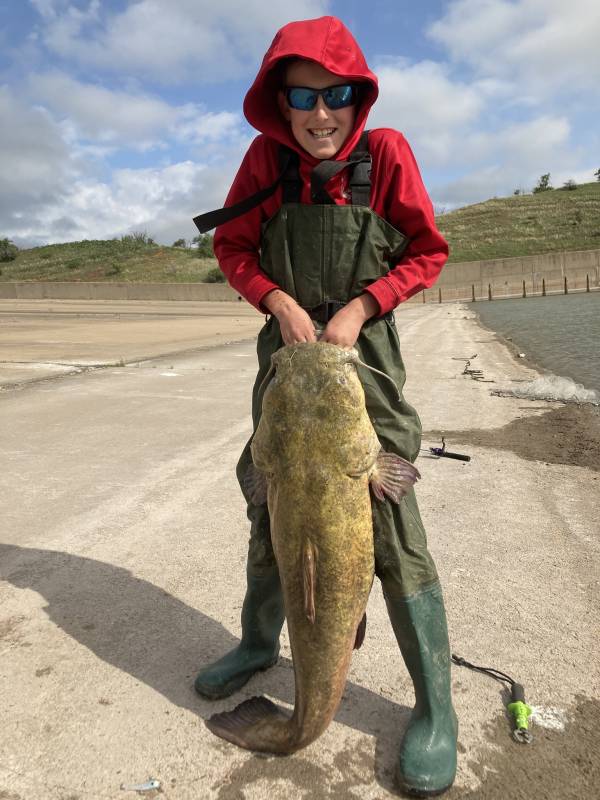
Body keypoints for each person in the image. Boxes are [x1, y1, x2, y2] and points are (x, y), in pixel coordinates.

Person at [193, 15, 457, 797]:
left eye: (335, 94)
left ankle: (435, 708)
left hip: (365, 371)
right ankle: (255, 644)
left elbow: (428, 250)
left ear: (358, 96)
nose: (318, 113)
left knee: (394, 529)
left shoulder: (387, 155)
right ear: (279, 102)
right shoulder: (264, 159)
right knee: (269, 511)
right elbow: (232, 248)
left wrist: (362, 307)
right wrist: (276, 300)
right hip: (284, 374)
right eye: (301, 96)